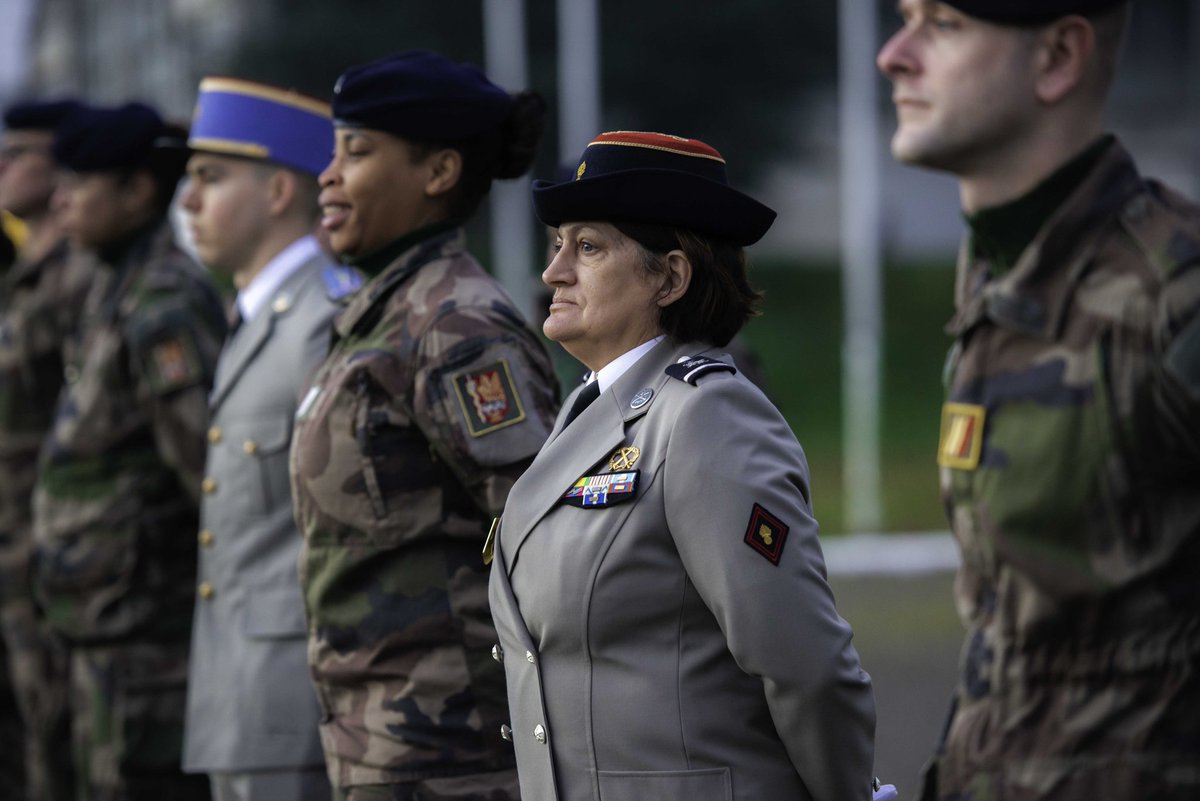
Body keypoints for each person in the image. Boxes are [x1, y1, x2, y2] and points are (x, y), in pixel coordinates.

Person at [487, 130, 877, 801]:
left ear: (670, 276)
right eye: (558, 245)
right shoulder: (590, 407)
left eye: (588, 246)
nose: (553, 271)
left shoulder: (707, 417)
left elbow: (803, 661)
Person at [877, 2, 1200, 799]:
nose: (894, 54)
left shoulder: (1173, 295)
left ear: (1058, 55)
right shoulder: (999, 278)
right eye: (903, 17)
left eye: (943, 24)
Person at [288, 50, 561, 801]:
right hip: (379, 744)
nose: (328, 174)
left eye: (359, 151)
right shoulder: (385, 313)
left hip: (453, 756)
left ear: (438, 172)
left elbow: (542, 537)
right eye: (335, 150)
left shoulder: (455, 326)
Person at [35, 101, 226, 801]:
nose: (59, 201)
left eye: (79, 185)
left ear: (138, 191)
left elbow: (205, 472)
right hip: (106, 627)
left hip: (151, 640)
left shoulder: (163, 300)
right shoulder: (115, 283)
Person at [178, 77, 362, 801]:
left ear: (282, 191)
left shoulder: (322, 316)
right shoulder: (256, 317)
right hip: (239, 694)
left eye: (211, 179)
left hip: (292, 695)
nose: (188, 201)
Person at [0, 97, 89, 801]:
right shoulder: (24, 278)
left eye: (19, 152)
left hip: (58, 569)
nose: (2, 164)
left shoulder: (81, 282)